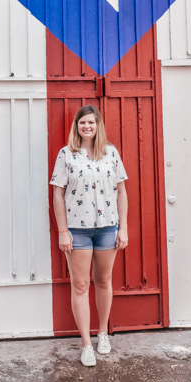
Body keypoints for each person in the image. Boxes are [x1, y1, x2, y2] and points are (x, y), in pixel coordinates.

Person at [50, 105, 128, 367]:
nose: (87, 127)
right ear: (77, 126)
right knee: (81, 285)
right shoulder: (66, 155)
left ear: (98, 126)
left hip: (107, 227)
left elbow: (121, 192)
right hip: (78, 230)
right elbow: (57, 195)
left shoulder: (111, 153)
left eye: (91, 123)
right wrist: (63, 231)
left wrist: (123, 227)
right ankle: (86, 344)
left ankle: (103, 333)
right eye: (82, 123)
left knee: (104, 281)